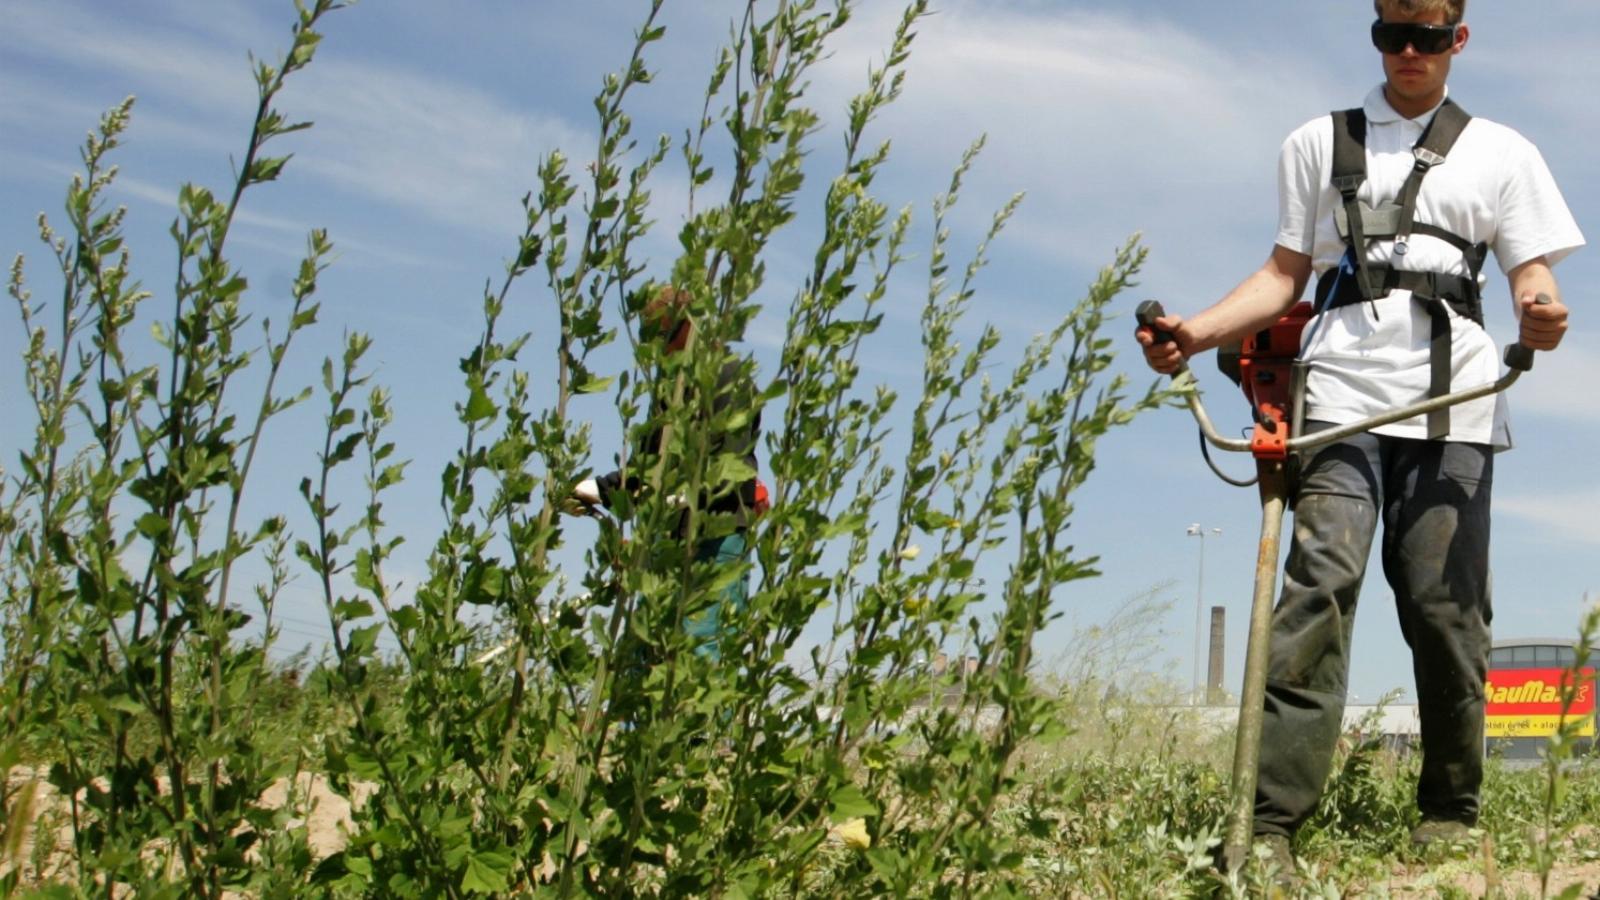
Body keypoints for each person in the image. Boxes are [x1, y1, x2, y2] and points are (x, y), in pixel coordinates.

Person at [1135, 0, 1583, 871]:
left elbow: (1530, 267)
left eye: (1426, 36)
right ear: (1375, 36)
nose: (1408, 52)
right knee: (1319, 586)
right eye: (1391, 35)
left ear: (1458, 38)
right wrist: (1197, 334)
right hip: (1338, 395)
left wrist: (1539, 309)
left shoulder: (1503, 151)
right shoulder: (1320, 141)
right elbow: (1282, 273)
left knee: (1444, 609)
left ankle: (1451, 809)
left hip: (1456, 401)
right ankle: (1269, 826)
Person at [573, 285, 762, 662]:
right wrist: (598, 491)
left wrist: (663, 501)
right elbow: (650, 464)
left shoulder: (730, 377)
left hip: (716, 540)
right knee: (647, 654)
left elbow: (728, 469)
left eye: (663, 338)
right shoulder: (670, 388)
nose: (659, 350)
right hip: (671, 539)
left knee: (701, 652)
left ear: (689, 328)